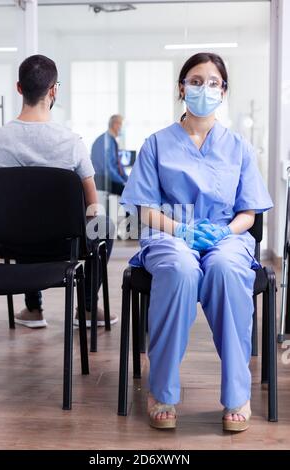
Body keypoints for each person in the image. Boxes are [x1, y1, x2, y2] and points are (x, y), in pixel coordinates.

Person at [120, 52, 273, 432]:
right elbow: (143, 208)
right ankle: (162, 390)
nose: (204, 88)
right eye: (195, 81)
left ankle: (237, 393)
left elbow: (249, 213)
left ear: (224, 92)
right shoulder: (156, 144)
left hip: (226, 236)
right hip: (172, 235)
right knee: (181, 268)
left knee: (224, 268)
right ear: (181, 88)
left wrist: (226, 232)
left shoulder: (238, 147)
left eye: (213, 82)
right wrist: (182, 231)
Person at [0, 54, 118, 329]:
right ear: (54, 90)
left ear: (19, 88)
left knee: (20, 220)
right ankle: (85, 308)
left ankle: (34, 309)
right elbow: (92, 209)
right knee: (105, 226)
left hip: (10, 244)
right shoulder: (71, 144)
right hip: (64, 244)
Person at [91, 115, 128, 196]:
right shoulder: (103, 141)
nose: (123, 128)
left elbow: (118, 164)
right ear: (115, 125)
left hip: (110, 178)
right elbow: (107, 168)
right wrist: (121, 181)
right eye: (122, 125)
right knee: (131, 193)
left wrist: (127, 179)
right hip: (103, 180)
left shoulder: (111, 141)